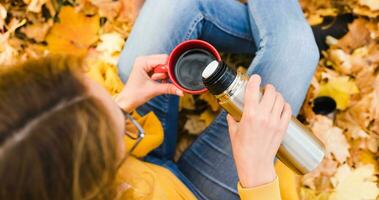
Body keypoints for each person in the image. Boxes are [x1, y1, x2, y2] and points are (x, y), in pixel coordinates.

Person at [0, 1, 319, 200]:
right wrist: (257, 175)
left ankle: (279, 26)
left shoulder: (18, 153)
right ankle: (285, 27)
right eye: (118, 120)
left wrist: (124, 102)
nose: (121, 106)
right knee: (295, 49)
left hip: (143, 163)